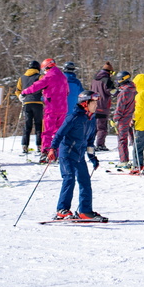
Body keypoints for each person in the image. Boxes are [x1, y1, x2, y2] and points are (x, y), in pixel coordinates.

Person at [50, 90, 107, 221]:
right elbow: (59, 134)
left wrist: (92, 158)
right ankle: (62, 210)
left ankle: (85, 211)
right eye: (94, 102)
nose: (96, 105)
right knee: (69, 178)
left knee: (85, 182)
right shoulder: (73, 118)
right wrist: (53, 149)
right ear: (85, 103)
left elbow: (90, 142)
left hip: (79, 156)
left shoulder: (91, 120)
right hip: (67, 154)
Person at [20, 59, 68, 163]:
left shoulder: (49, 76)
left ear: (47, 67)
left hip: (51, 108)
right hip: (63, 108)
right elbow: (67, 91)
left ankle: (45, 153)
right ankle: (57, 153)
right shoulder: (63, 77)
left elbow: (36, 85)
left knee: (47, 132)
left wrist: (24, 92)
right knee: (58, 132)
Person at [16, 61, 44, 154]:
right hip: (38, 102)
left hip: (26, 103)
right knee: (38, 125)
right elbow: (44, 87)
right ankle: (39, 145)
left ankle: (25, 145)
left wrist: (20, 97)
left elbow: (18, 90)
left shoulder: (22, 78)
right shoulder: (39, 76)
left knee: (27, 125)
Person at [112, 72, 137, 169]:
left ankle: (124, 160)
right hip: (133, 117)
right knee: (134, 139)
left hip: (124, 119)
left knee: (122, 139)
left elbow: (120, 108)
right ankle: (138, 159)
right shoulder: (134, 89)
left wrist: (115, 119)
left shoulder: (124, 93)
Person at [90, 63, 115, 150]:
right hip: (102, 106)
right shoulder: (107, 80)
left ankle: (89, 144)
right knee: (102, 128)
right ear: (109, 72)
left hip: (92, 106)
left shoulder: (94, 79)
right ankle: (100, 145)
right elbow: (112, 92)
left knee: (93, 127)